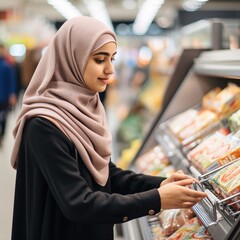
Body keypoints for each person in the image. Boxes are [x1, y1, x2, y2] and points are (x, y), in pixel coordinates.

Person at [10, 16, 207, 240]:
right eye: (99, 59)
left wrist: (161, 183)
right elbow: (79, 203)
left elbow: (106, 174)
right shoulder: (44, 124)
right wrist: (157, 199)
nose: (110, 70)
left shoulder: (85, 108)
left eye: (112, 59)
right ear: (72, 58)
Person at [0, 43, 17, 146]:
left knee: (3, 118)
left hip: (3, 98)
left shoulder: (7, 66)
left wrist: (12, 95)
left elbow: (11, 81)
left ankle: (1, 135)